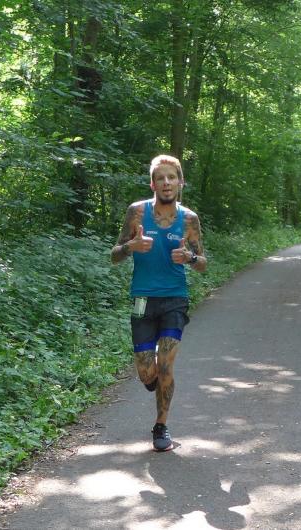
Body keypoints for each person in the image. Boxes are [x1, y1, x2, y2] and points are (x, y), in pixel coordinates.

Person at [111, 154, 207, 451]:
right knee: (146, 371)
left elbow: (203, 263)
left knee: (165, 365)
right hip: (142, 299)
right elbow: (114, 255)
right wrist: (131, 246)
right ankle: (152, 380)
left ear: (180, 183)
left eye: (172, 177)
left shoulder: (189, 219)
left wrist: (189, 257)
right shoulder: (137, 213)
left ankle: (161, 425)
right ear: (152, 183)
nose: (166, 183)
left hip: (175, 299)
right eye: (160, 178)